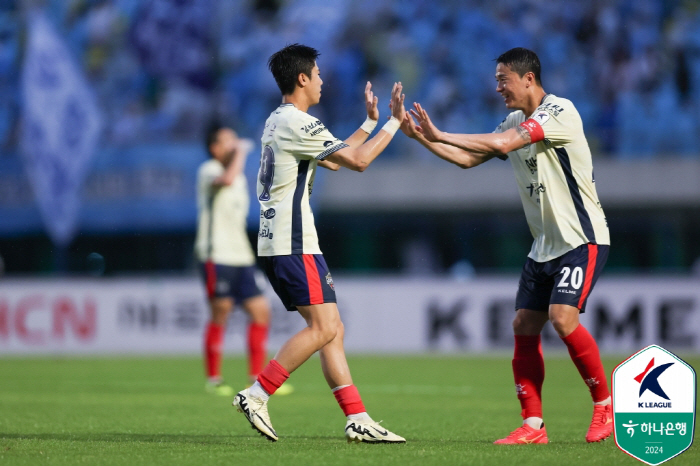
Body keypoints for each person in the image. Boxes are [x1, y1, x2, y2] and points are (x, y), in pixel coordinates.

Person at [401, 47, 612, 444]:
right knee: (523, 324)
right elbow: (467, 160)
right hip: (544, 245)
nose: (498, 87)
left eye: (503, 79)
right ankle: (533, 426)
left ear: (528, 78)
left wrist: (440, 131)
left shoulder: (559, 110)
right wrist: (420, 137)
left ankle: (606, 404)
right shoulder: (514, 119)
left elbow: (501, 145)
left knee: (563, 318)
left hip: (581, 238)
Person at [232, 43, 407, 443]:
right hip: (294, 242)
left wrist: (368, 122)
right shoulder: (297, 122)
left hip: (280, 241)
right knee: (325, 326)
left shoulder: (281, 120)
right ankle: (258, 392)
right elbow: (358, 161)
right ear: (302, 78)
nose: (323, 81)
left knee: (332, 328)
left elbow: (330, 158)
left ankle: (357, 417)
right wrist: (394, 123)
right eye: (318, 74)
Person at [195, 123, 292, 396]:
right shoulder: (210, 170)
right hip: (216, 254)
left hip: (241, 255)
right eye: (227, 140)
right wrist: (240, 153)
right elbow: (225, 180)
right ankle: (214, 379)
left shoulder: (237, 176)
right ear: (214, 148)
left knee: (261, 312)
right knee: (221, 311)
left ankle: (256, 378)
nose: (234, 143)